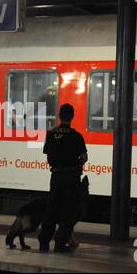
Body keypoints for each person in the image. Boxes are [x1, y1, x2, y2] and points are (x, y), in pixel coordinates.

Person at [38, 103, 88, 253]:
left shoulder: (51, 134)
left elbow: (48, 154)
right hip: (71, 177)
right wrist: (75, 165)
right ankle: (60, 243)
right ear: (72, 117)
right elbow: (84, 158)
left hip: (56, 176)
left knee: (51, 209)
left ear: (59, 116)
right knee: (68, 211)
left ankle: (44, 242)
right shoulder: (76, 136)